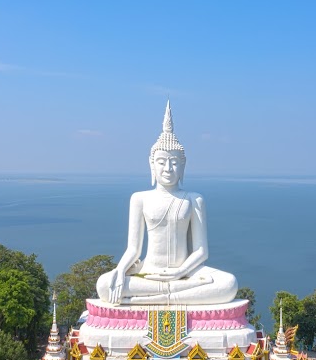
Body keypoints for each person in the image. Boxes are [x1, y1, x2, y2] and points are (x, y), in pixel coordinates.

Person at [96, 102, 238, 306]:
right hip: (150, 271)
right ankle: (175, 295)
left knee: (229, 284)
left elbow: (201, 251)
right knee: (103, 285)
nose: (168, 168)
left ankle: (161, 297)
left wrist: (179, 272)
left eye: (174, 162)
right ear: (151, 164)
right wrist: (119, 271)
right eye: (162, 161)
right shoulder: (140, 198)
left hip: (187, 271)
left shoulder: (194, 199)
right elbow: (133, 248)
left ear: (183, 165)